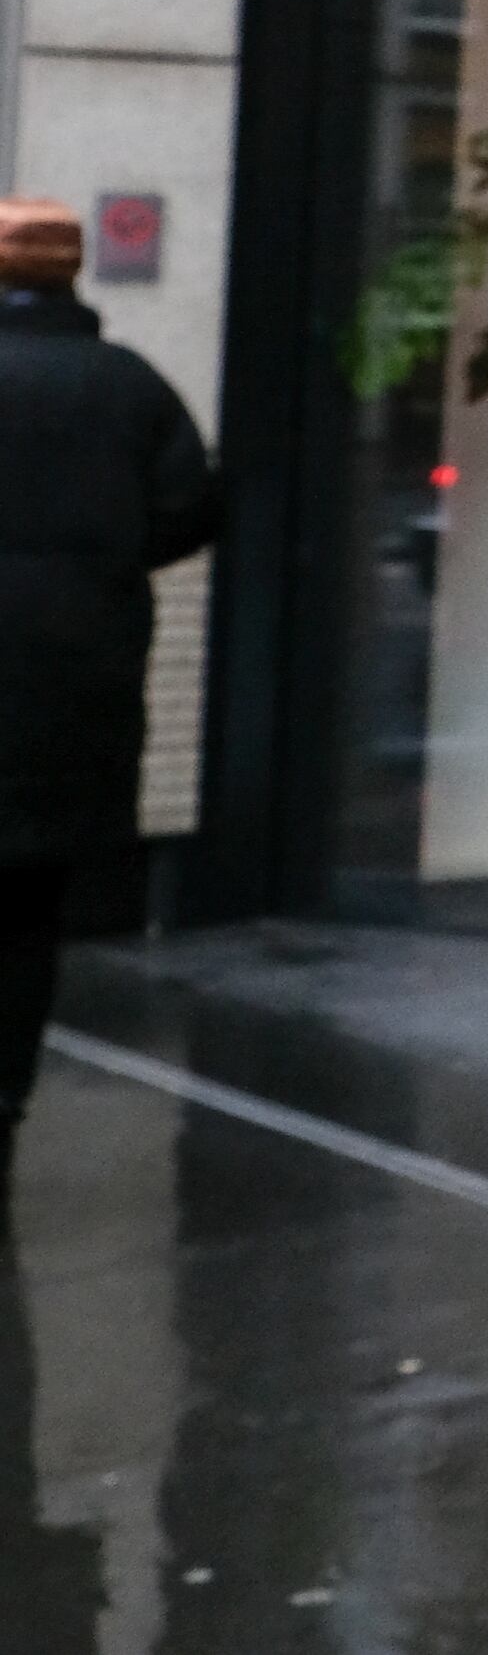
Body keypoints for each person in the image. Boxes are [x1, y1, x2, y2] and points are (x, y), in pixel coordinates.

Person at [0, 196, 213, 1200]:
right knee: (28, 917)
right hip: (71, 697)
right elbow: (186, 514)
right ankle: (3, 1103)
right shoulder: (130, 388)